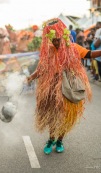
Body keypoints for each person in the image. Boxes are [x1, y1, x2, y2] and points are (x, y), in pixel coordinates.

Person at [27, 18, 101, 155]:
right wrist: (31, 77)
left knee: (65, 116)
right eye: (53, 40)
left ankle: (60, 140)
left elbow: (89, 54)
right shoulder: (49, 51)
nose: (56, 42)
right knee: (53, 115)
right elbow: (41, 68)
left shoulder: (73, 48)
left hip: (68, 87)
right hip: (52, 87)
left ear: (64, 36)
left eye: (58, 39)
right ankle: (51, 139)